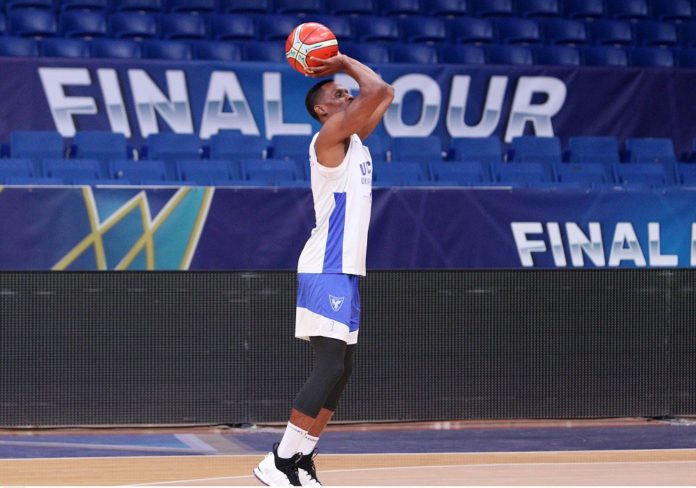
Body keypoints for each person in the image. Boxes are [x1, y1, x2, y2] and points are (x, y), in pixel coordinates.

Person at [253, 53, 394, 487]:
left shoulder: (355, 141)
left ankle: (300, 458)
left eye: (348, 91)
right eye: (338, 93)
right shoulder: (328, 136)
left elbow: (385, 93)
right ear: (322, 109)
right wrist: (342, 60)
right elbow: (375, 90)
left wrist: (343, 70)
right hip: (325, 266)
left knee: (342, 369)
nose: (348, 95)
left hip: (345, 270)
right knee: (330, 364)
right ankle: (278, 459)